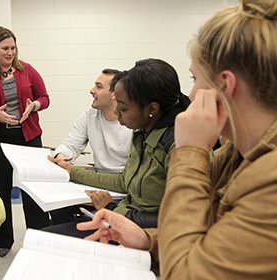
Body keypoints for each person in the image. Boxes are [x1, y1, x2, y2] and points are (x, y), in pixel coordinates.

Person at [78, 0, 277, 278]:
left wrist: (190, 151)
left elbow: (187, 273)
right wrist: (149, 240)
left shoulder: (269, 183)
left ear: (226, 85)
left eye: (195, 78)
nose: (192, 94)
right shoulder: (237, 152)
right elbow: (209, 241)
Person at [47, 58, 190, 237]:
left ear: (151, 109)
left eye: (122, 108)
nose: (116, 113)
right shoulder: (142, 132)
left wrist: (113, 210)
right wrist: (73, 172)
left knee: (49, 238)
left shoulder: (178, 145)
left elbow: (179, 219)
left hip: (146, 236)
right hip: (125, 220)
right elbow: (125, 181)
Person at [0, 26, 50, 257]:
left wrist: (35, 105)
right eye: (5, 48)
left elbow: (45, 98)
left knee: (33, 189)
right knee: (0, 191)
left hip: (28, 135)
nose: (10, 52)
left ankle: (39, 237)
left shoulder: (28, 70)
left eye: (13, 47)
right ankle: (3, 242)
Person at [53, 68, 132, 173]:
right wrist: (61, 156)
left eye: (99, 87)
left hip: (123, 181)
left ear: (115, 94)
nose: (91, 90)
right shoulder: (90, 114)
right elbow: (71, 145)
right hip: (98, 177)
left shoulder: (133, 122)